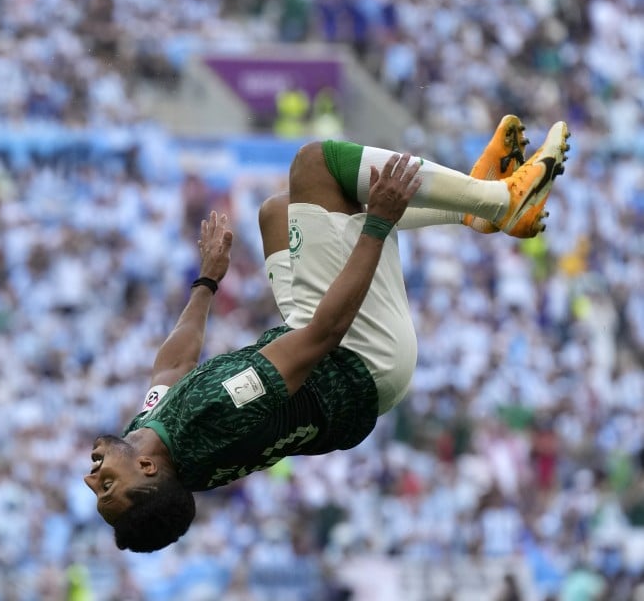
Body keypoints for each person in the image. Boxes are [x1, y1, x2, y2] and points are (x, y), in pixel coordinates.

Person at [84, 116, 571, 553]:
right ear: (147, 470)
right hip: (359, 356)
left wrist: (207, 281)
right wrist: (377, 225)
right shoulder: (212, 416)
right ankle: (500, 201)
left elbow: (171, 368)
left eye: (96, 487)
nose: (92, 478)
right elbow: (324, 333)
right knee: (317, 167)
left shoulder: (147, 442)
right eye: (107, 486)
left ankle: (469, 211)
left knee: (280, 212)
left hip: (327, 361)